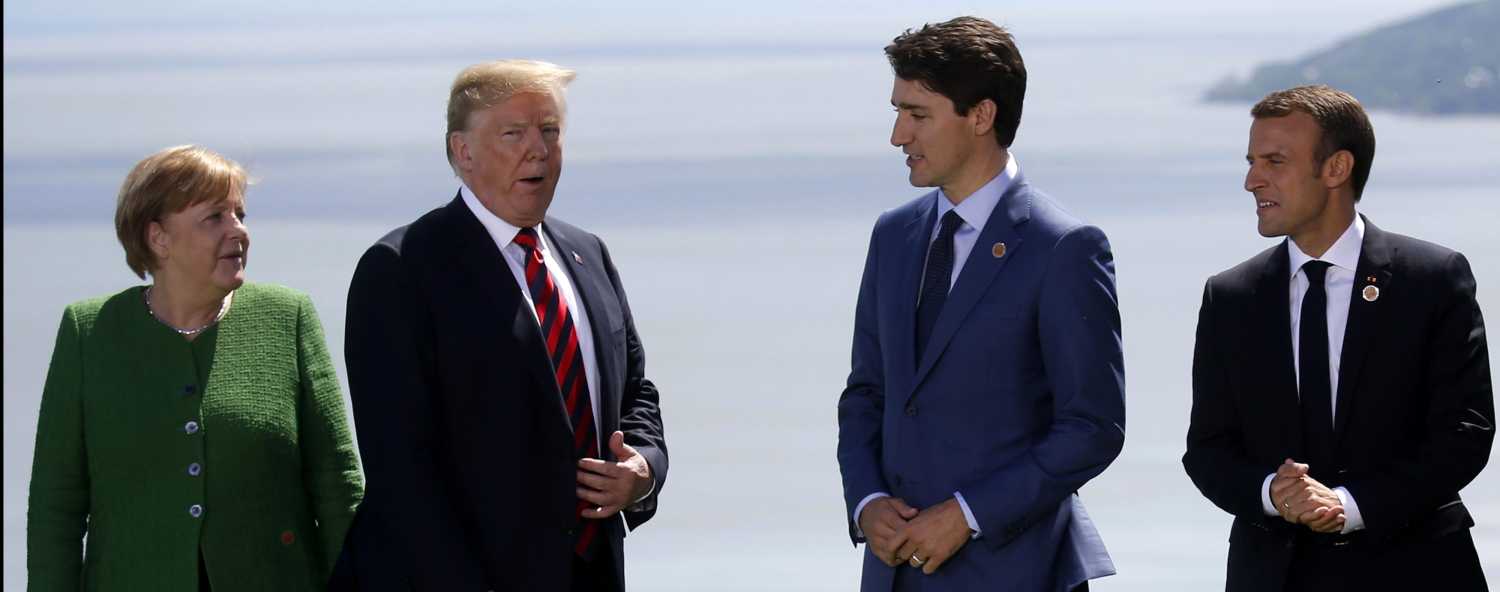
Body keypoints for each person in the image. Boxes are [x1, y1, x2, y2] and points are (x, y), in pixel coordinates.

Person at [331, 59, 667, 592]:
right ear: (462, 152)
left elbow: (635, 392)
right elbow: (402, 473)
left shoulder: (588, 253)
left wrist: (643, 470)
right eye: (514, 133)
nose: (538, 149)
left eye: (550, 131)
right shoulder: (402, 268)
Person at [836, 16, 1125, 592]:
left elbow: (1093, 426)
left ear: (981, 116)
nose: (898, 135)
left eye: (917, 114)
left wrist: (967, 516)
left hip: (1019, 572)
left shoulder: (1065, 248)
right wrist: (867, 503)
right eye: (897, 111)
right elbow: (867, 393)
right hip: (895, 574)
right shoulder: (892, 236)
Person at [1183, 85, 1493, 591]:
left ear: (1336, 169)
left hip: (1418, 570)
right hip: (1274, 576)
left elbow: (1466, 433)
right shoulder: (1230, 297)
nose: (1251, 180)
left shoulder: (1432, 279)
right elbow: (1208, 451)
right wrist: (1272, 493)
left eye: (1274, 161)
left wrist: (1350, 506)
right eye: (1251, 161)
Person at [26, 145, 364, 591]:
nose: (238, 231)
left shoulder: (287, 316)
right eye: (215, 218)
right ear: (158, 238)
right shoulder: (88, 332)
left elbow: (337, 483)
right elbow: (56, 507)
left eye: (240, 214)